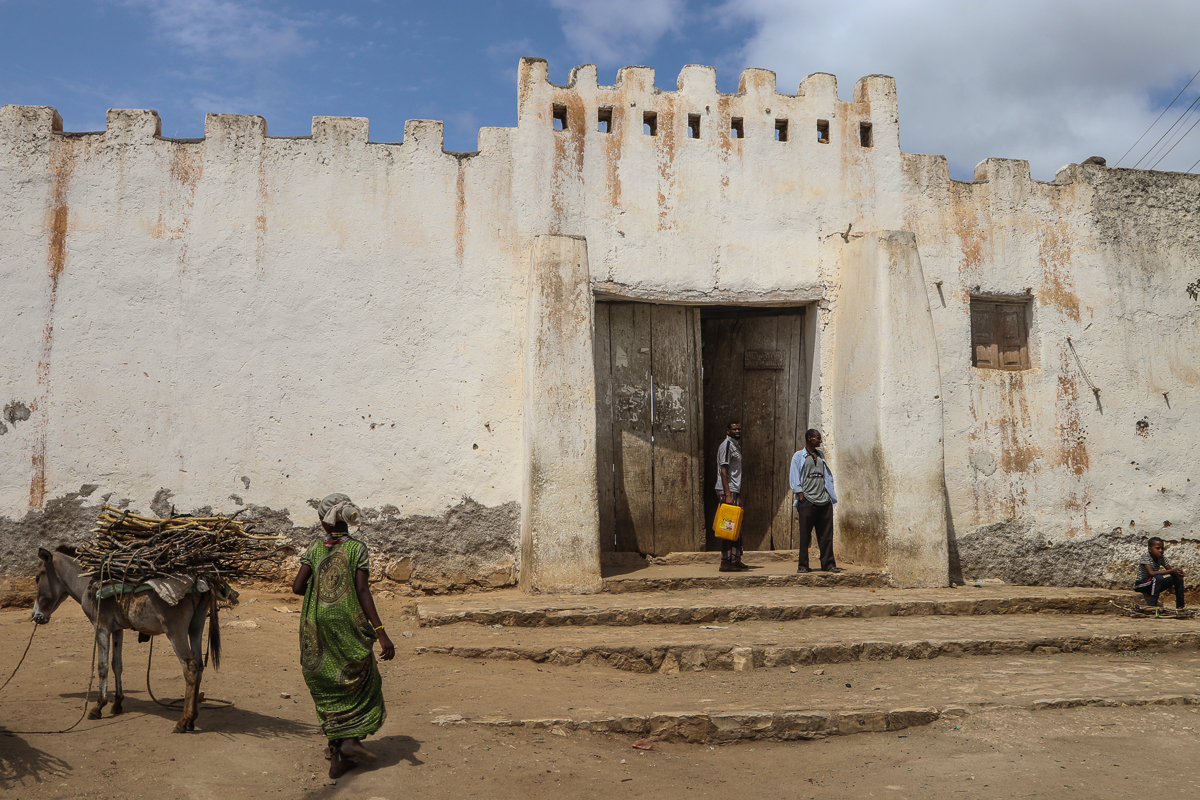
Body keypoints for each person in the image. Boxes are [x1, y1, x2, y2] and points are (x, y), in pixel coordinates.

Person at [293, 493, 396, 779]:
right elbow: (362, 591)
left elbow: (298, 587)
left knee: (327, 681)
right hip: (348, 623)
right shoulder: (357, 549)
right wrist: (381, 632)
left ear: (325, 521)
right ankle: (350, 740)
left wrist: (321, 586)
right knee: (359, 679)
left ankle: (339, 758)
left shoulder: (315, 548)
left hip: (317, 623)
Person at [789, 429, 841, 573]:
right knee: (805, 535)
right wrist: (801, 496)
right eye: (817, 438)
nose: (820, 441)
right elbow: (794, 477)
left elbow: (826, 476)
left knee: (826, 535)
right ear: (809, 438)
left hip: (824, 500)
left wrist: (829, 495)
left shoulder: (821, 455)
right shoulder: (799, 456)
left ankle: (828, 564)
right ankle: (803, 566)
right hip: (808, 500)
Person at [715, 421, 749, 573]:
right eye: (734, 429)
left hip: (734, 490)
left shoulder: (735, 446)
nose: (737, 431)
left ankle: (736, 559)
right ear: (728, 431)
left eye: (739, 429)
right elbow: (723, 471)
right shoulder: (726, 446)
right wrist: (728, 494)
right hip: (727, 491)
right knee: (727, 527)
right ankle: (725, 561)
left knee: (736, 526)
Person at [1134, 536, 1186, 614]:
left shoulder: (1161, 557)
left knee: (1177, 578)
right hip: (1141, 584)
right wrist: (1171, 571)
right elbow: (1151, 573)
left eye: (1162, 548)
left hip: (1154, 583)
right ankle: (1152, 606)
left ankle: (1180, 607)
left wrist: (1177, 573)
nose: (1161, 550)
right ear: (1150, 549)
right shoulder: (1145, 556)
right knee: (1158, 577)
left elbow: (1170, 571)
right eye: (1158, 548)